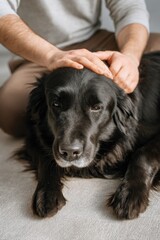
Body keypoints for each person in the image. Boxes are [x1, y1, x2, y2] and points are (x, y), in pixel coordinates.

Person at [0, 0, 159, 137]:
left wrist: (130, 56)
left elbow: (129, 7)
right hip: (38, 52)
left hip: (95, 41)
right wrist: (52, 55)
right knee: (9, 111)